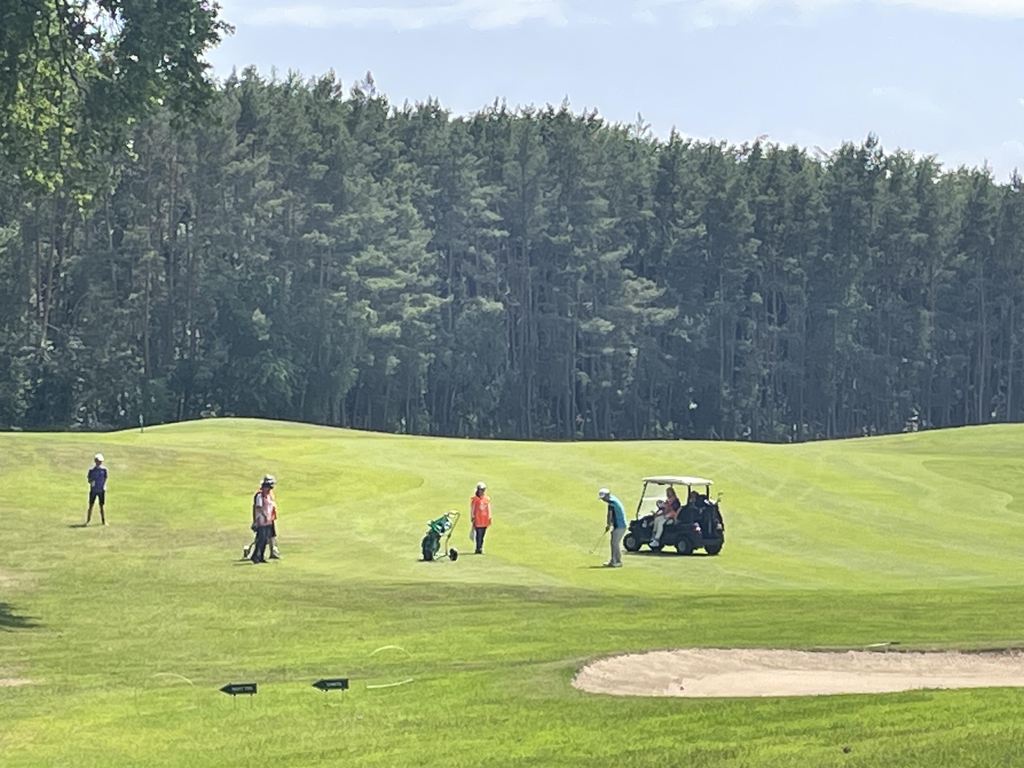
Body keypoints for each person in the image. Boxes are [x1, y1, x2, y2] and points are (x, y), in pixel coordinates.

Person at [249, 475, 276, 564]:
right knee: (260, 539)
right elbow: (259, 508)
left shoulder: (268, 495)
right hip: (261, 521)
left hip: (268, 520)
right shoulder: (259, 495)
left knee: (265, 540)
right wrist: (265, 516)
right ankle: (255, 556)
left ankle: (261, 556)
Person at [598, 487, 626, 567]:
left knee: (614, 543)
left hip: (620, 525)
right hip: (619, 525)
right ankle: (614, 560)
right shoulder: (613, 499)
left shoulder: (612, 502)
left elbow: (609, 515)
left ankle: (616, 561)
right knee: (614, 543)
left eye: (604, 497)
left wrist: (608, 525)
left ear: (607, 495)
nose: (603, 500)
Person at [469, 481, 491, 554]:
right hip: (478, 519)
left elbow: (488, 508)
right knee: (479, 534)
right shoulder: (475, 499)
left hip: (484, 519)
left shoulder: (486, 499)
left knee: (482, 535)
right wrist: (472, 517)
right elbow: (472, 508)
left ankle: (480, 547)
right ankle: (478, 548)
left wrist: (489, 517)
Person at [86, 453, 107, 525]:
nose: (99, 462)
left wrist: (102, 485)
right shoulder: (92, 470)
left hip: (101, 490)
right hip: (93, 490)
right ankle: (88, 520)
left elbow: (105, 478)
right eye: (98, 461)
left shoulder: (104, 470)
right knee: (90, 505)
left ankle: (103, 521)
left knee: (101, 506)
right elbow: (89, 479)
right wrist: (92, 482)